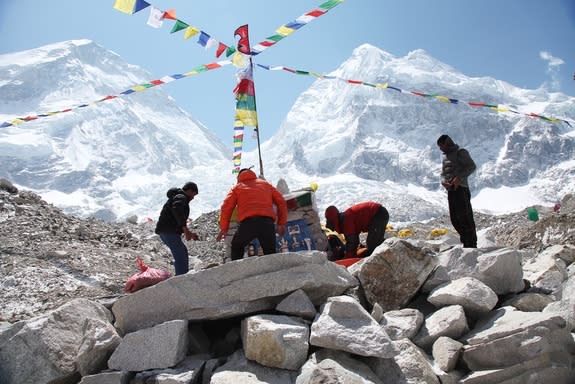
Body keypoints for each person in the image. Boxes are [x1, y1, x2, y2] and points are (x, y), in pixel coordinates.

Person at [216, 168, 288, 261]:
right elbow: (281, 201)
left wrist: (224, 228)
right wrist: (281, 223)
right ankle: (274, 273)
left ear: (239, 177)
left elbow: (226, 208)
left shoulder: (237, 187)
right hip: (267, 223)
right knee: (270, 253)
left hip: (248, 224)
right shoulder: (265, 184)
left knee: (237, 246)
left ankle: (238, 272)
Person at [437, 134, 477, 248]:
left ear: (447, 143)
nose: (441, 148)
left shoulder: (461, 152)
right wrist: (444, 181)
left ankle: (471, 243)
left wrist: (459, 178)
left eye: (441, 145)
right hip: (451, 190)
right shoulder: (446, 157)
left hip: (461, 188)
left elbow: (471, 166)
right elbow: (443, 173)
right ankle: (465, 241)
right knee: (455, 218)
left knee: (465, 217)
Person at [155, 181, 199, 275]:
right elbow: (177, 210)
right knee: (181, 255)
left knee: (181, 252)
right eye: (193, 194)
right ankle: (181, 279)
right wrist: (185, 229)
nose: (193, 198)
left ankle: (181, 276)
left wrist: (189, 233)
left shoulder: (178, 197)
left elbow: (176, 217)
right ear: (190, 190)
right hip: (168, 231)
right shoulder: (181, 197)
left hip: (166, 231)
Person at [324, 202, 389, 259]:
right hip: (380, 212)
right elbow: (354, 240)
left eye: (333, 227)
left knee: (372, 246)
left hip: (379, 214)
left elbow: (352, 242)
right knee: (374, 242)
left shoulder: (346, 221)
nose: (335, 230)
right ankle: (389, 247)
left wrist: (347, 259)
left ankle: (389, 254)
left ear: (334, 222)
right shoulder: (345, 218)